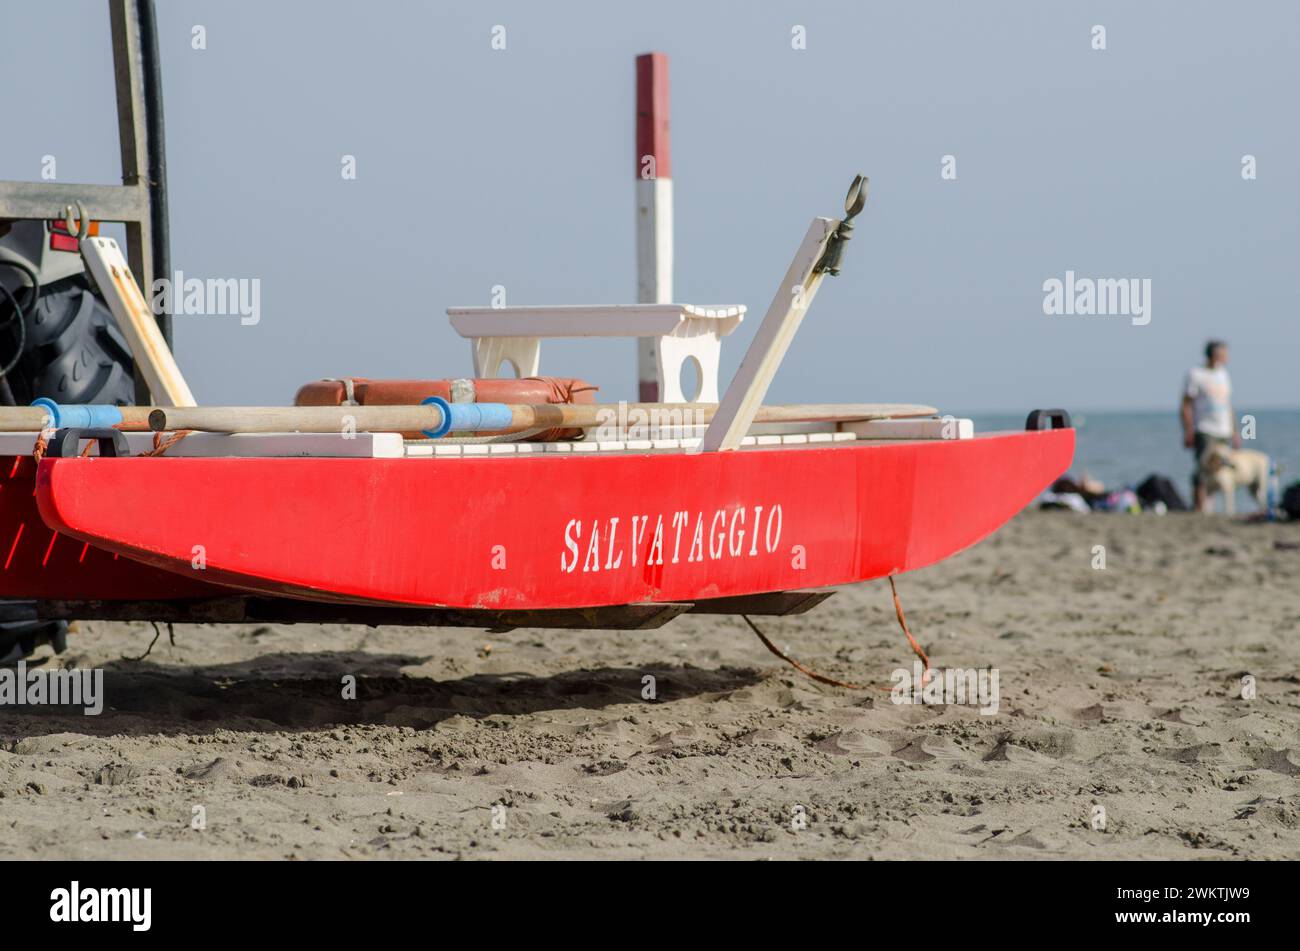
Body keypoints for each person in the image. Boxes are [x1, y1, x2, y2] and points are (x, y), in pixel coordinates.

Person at [1181, 340, 1239, 512]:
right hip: (1205, 428)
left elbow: (1228, 405)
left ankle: (1214, 506)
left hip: (1224, 429)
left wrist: (1235, 431)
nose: (1227, 357)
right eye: (1224, 354)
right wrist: (1188, 429)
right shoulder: (1196, 374)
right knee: (1203, 468)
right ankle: (1199, 507)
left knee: (1223, 469)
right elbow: (1186, 404)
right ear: (1214, 355)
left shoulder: (1223, 374)